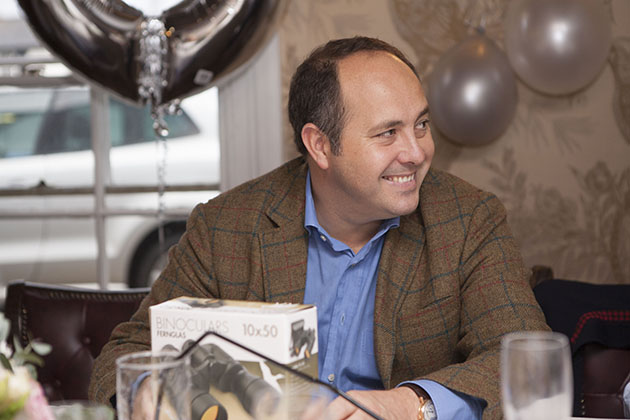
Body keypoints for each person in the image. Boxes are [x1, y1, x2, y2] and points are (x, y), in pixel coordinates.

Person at [89, 36, 549, 419]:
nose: (416, 152)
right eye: (388, 133)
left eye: (421, 124)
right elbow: (127, 351)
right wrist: (147, 388)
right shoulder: (226, 226)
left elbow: (526, 359)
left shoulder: (468, 221)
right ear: (320, 145)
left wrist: (413, 404)